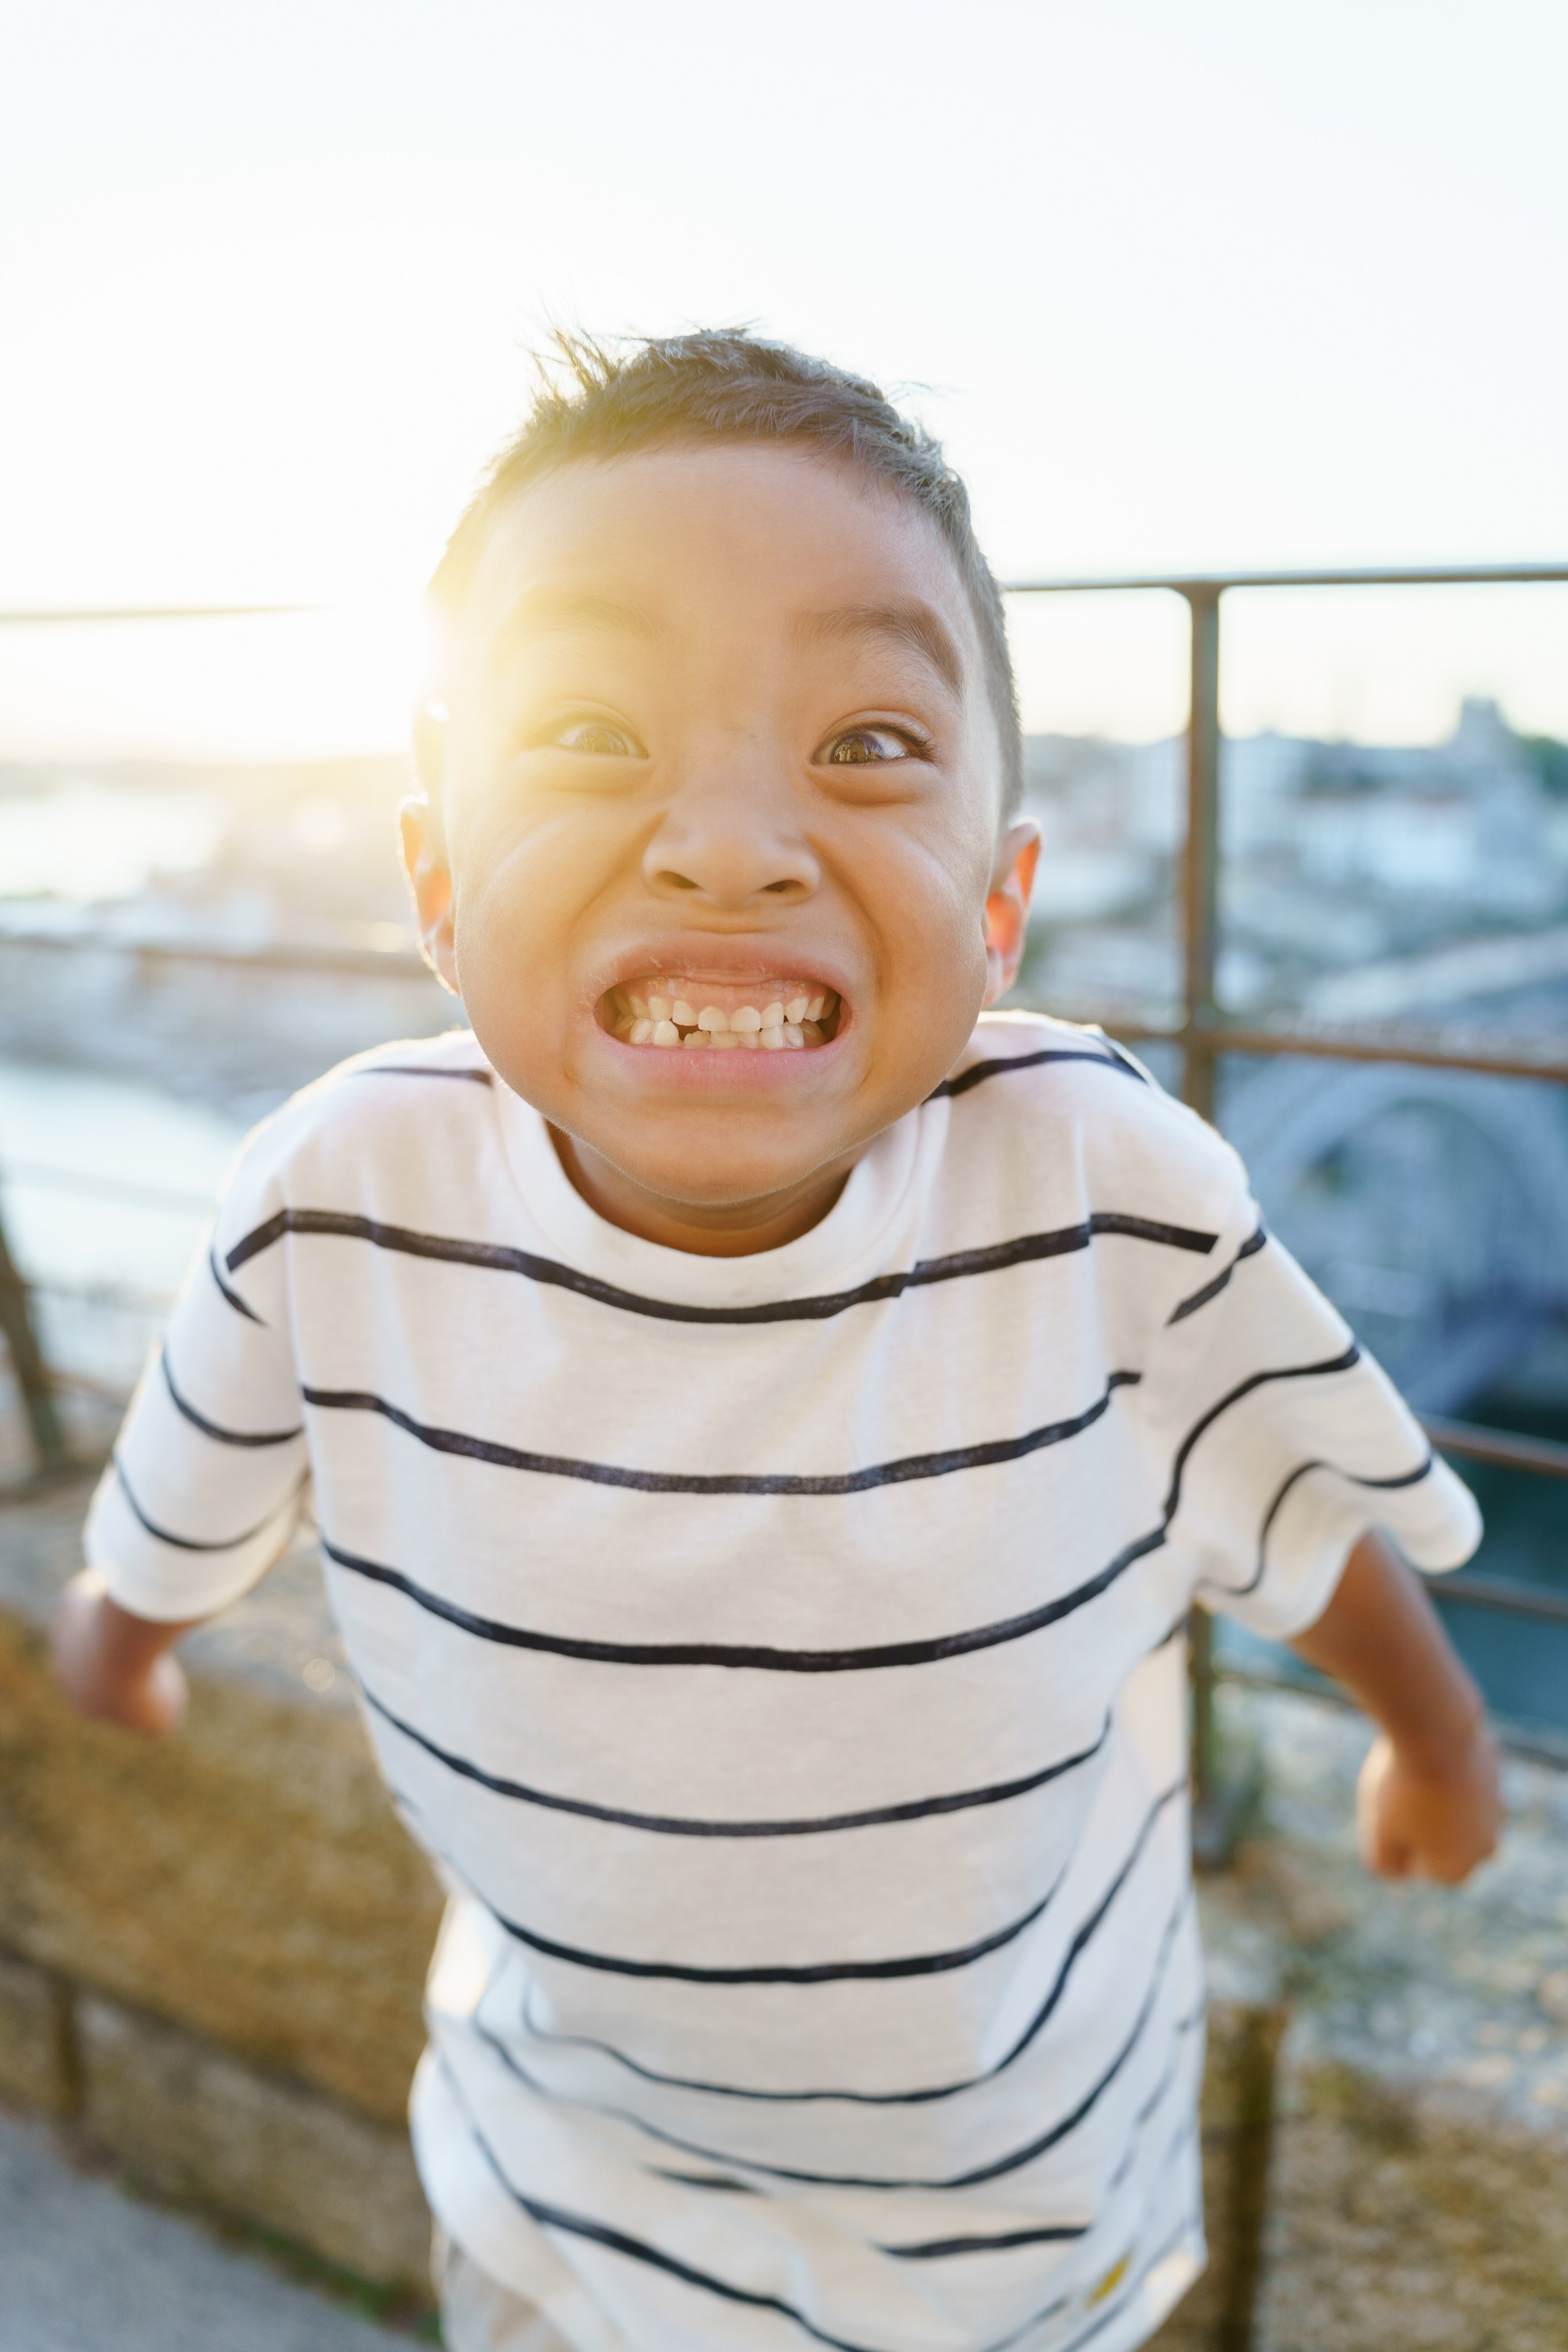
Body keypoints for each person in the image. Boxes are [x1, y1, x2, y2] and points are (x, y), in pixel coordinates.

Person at [54, 331, 1501, 2352]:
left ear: (998, 914)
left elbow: (1290, 1503)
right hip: (569, 2191)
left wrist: (1434, 1739)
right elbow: (197, 1469)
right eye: (587, 728)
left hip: (1014, 2232)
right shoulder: (336, 1196)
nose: (728, 839)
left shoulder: (1099, 1188)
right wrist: (122, 1634)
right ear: (438, 883)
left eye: (867, 745)